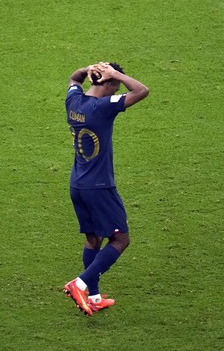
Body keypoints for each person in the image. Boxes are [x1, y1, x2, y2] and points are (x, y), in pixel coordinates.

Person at [62, 61, 149, 315]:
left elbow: (73, 78)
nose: (116, 90)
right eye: (116, 85)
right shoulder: (103, 107)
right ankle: (79, 284)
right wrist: (116, 74)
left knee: (93, 239)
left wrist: (86, 69)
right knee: (121, 239)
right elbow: (142, 91)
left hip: (77, 184)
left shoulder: (74, 101)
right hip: (99, 187)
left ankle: (95, 297)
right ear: (109, 83)